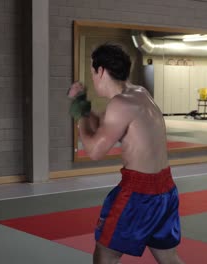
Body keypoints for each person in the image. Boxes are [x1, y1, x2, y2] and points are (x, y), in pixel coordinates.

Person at [67, 44, 184, 264]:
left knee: (105, 255)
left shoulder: (119, 104)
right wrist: (83, 105)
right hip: (165, 190)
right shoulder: (139, 93)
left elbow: (94, 151)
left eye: (93, 73)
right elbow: (106, 124)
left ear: (101, 71)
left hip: (139, 195)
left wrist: (78, 113)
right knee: (169, 258)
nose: (93, 78)